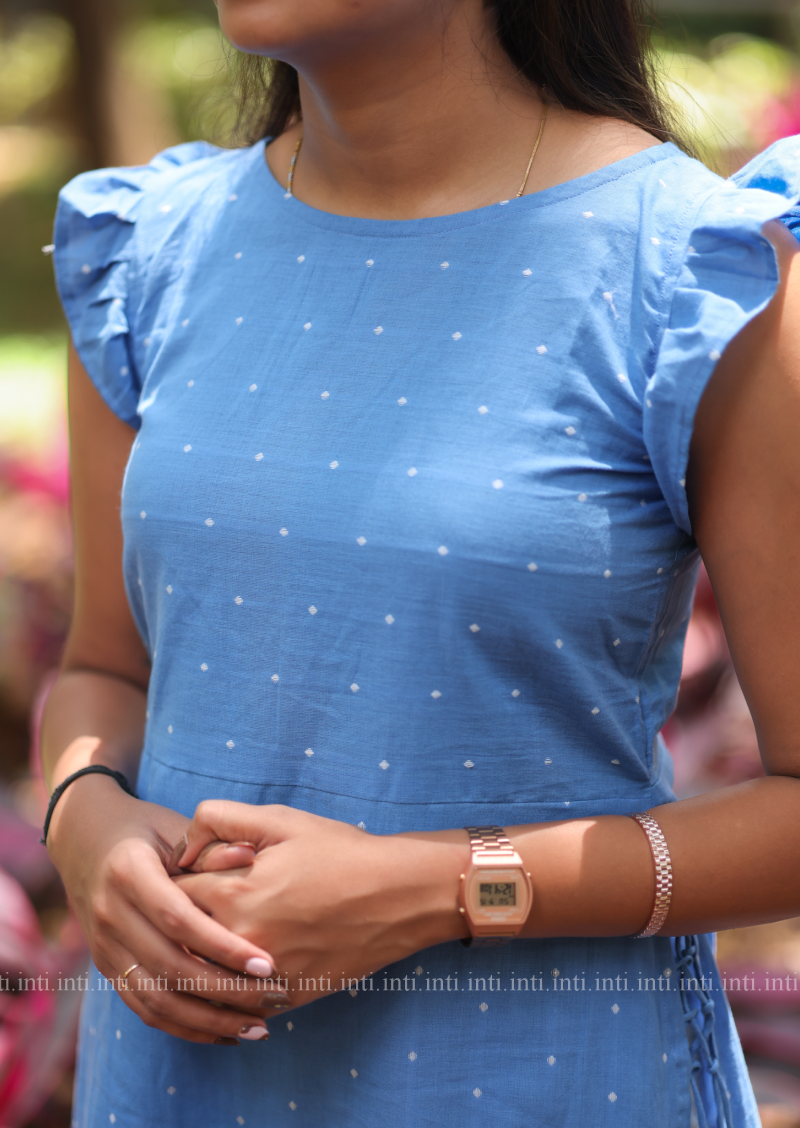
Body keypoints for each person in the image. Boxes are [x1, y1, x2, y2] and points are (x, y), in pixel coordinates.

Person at [42, 0, 800, 1124]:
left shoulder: (697, 274)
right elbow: (106, 667)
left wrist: (445, 889)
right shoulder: (145, 254)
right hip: (173, 1078)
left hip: (543, 1079)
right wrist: (83, 820)